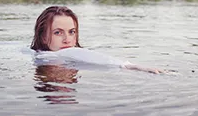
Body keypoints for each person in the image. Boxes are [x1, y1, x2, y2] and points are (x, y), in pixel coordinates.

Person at [31, 5, 166, 74]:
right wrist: (130, 66)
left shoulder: (70, 55)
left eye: (72, 32)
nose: (67, 39)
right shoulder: (42, 57)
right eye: (58, 33)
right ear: (43, 36)